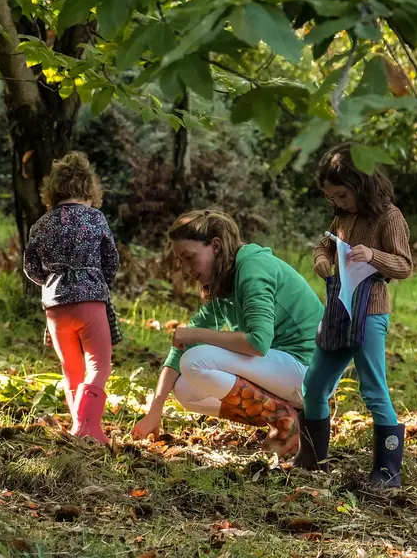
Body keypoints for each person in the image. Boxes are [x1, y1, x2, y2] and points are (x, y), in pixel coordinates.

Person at [130, 209, 323, 457]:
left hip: (310, 374)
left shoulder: (253, 268)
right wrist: (154, 411)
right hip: (284, 371)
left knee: (196, 360)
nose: (186, 268)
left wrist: (196, 335)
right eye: (181, 261)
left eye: (189, 257)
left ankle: (286, 418)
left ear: (216, 246)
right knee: (185, 389)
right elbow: (180, 347)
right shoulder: (224, 280)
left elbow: (257, 342)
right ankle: (288, 416)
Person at [298, 146, 413, 486]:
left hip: (370, 309)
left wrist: (374, 255)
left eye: (342, 194)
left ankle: (387, 471)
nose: (337, 202)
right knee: (314, 384)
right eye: (330, 197)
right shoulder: (342, 218)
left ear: (360, 185)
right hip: (339, 307)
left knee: (373, 389)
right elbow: (325, 244)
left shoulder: (389, 218)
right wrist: (321, 258)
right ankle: (311, 459)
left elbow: (405, 265)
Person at [22, 152, 119, 444]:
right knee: (99, 364)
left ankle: (79, 427)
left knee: (71, 369)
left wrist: (52, 281)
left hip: (55, 305)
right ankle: (88, 427)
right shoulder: (96, 218)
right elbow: (110, 260)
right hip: (91, 299)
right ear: (90, 190)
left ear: (52, 191)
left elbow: (31, 267)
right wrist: (99, 282)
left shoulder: (41, 224)